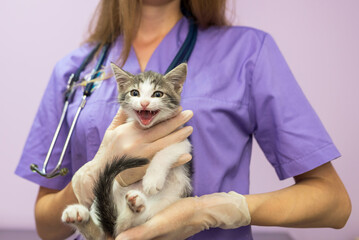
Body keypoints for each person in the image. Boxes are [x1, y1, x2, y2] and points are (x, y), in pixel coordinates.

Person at [15, 0, 352, 239]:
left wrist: (211, 211)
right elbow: (47, 226)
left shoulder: (248, 52)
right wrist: (86, 185)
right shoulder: (75, 70)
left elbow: (334, 204)